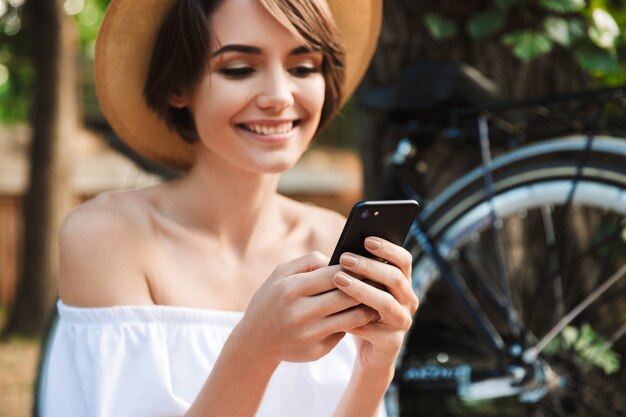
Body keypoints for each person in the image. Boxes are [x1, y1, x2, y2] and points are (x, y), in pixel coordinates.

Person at [41, 0, 419, 416]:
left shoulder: (330, 241)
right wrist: (255, 348)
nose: (279, 96)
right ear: (177, 87)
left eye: (304, 67)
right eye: (239, 69)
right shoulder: (107, 237)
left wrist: (376, 367)